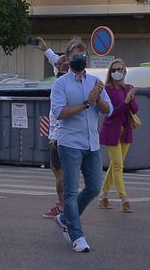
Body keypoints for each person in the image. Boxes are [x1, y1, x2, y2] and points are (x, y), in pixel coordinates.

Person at [50, 44, 113, 253]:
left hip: (91, 143)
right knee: (70, 191)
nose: (80, 58)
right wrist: (87, 103)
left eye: (83, 55)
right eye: (75, 55)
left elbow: (109, 110)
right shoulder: (61, 84)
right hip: (69, 143)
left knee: (94, 187)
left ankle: (66, 217)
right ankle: (77, 235)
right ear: (67, 58)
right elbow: (59, 112)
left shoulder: (95, 82)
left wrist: (98, 98)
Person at [31, 38, 72, 219]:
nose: (59, 63)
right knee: (57, 170)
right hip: (59, 133)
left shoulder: (63, 83)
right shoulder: (65, 76)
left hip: (59, 134)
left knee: (59, 172)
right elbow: (55, 60)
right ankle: (65, 204)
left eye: (63, 62)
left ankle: (64, 206)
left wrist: (54, 136)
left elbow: (59, 114)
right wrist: (46, 50)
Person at [98, 59, 140, 213]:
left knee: (115, 165)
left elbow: (135, 109)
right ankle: (124, 199)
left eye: (121, 69)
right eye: (115, 69)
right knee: (118, 166)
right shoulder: (107, 90)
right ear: (110, 72)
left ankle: (103, 195)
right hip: (111, 131)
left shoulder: (128, 88)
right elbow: (112, 112)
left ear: (125, 71)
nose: (118, 72)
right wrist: (126, 101)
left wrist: (131, 98)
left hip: (126, 130)